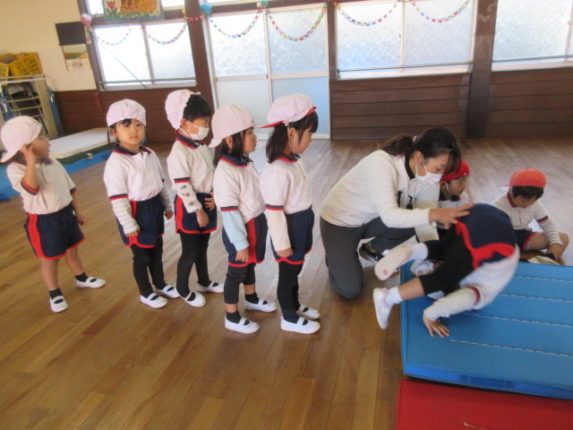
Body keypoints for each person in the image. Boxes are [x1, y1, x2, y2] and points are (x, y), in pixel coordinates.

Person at [320, 127, 470, 299]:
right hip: (339, 222)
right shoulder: (381, 163)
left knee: (418, 217)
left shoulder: (427, 177)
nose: (439, 176)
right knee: (350, 290)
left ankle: (372, 250)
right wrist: (435, 214)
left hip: (372, 218)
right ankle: (335, 256)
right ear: (419, 157)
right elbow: (391, 216)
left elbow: (425, 222)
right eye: (439, 168)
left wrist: (433, 257)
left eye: (444, 170)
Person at [3, 116, 105, 313]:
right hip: (44, 221)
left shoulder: (52, 162)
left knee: (72, 250)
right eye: (41, 137)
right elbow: (31, 188)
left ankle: (81, 278)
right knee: (50, 259)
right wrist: (31, 161)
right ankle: (54, 292)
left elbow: (69, 188)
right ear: (26, 147)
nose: (48, 140)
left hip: (65, 213)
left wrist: (77, 211)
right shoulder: (15, 169)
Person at [373, 204, 520, 337]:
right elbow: (463, 298)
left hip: (476, 212)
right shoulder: (482, 295)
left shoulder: (485, 271)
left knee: (443, 249)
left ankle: (411, 251)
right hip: (487, 239)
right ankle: (387, 298)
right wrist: (430, 316)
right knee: (441, 279)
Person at [103, 99, 176, 309]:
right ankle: (146, 292)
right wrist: (128, 224)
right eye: (126, 126)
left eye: (138, 124)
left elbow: (160, 183)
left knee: (157, 251)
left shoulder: (149, 154)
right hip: (136, 213)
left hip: (154, 208)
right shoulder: (116, 163)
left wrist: (167, 206)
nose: (134, 130)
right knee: (142, 256)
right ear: (113, 132)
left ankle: (160, 283)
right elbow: (118, 199)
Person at [212, 104, 277, 334]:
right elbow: (230, 213)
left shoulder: (245, 162)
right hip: (240, 231)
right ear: (230, 140)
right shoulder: (225, 172)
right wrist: (240, 243)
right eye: (249, 133)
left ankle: (251, 298)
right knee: (236, 272)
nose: (255, 137)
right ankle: (231, 316)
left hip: (254, 224)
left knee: (250, 265)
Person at [260, 94, 320, 334]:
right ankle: (288, 317)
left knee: (296, 269)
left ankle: (294, 305)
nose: (311, 139)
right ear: (292, 133)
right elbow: (274, 214)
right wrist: (282, 244)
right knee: (287, 273)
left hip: (301, 224)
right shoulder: (277, 171)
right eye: (310, 134)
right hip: (289, 230)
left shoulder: (294, 161)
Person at [165, 90, 221, 309]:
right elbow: (183, 186)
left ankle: (204, 281)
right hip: (190, 206)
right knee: (190, 251)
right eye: (203, 122)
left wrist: (214, 194)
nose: (207, 126)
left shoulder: (200, 145)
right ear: (184, 123)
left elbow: (209, 174)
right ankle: (182, 287)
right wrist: (197, 211)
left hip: (205, 200)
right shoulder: (179, 151)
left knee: (202, 246)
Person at [492, 169, 569, 263]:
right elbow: (491, 232)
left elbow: (547, 224)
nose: (527, 204)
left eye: (532, 200)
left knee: (563, 238)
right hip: (503, 238)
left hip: (523, 236)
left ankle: (547, 261)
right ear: (511, 191)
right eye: (523, 200)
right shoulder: (498, 205)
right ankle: (521, 260)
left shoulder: (535, 203)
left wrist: (555, 243)